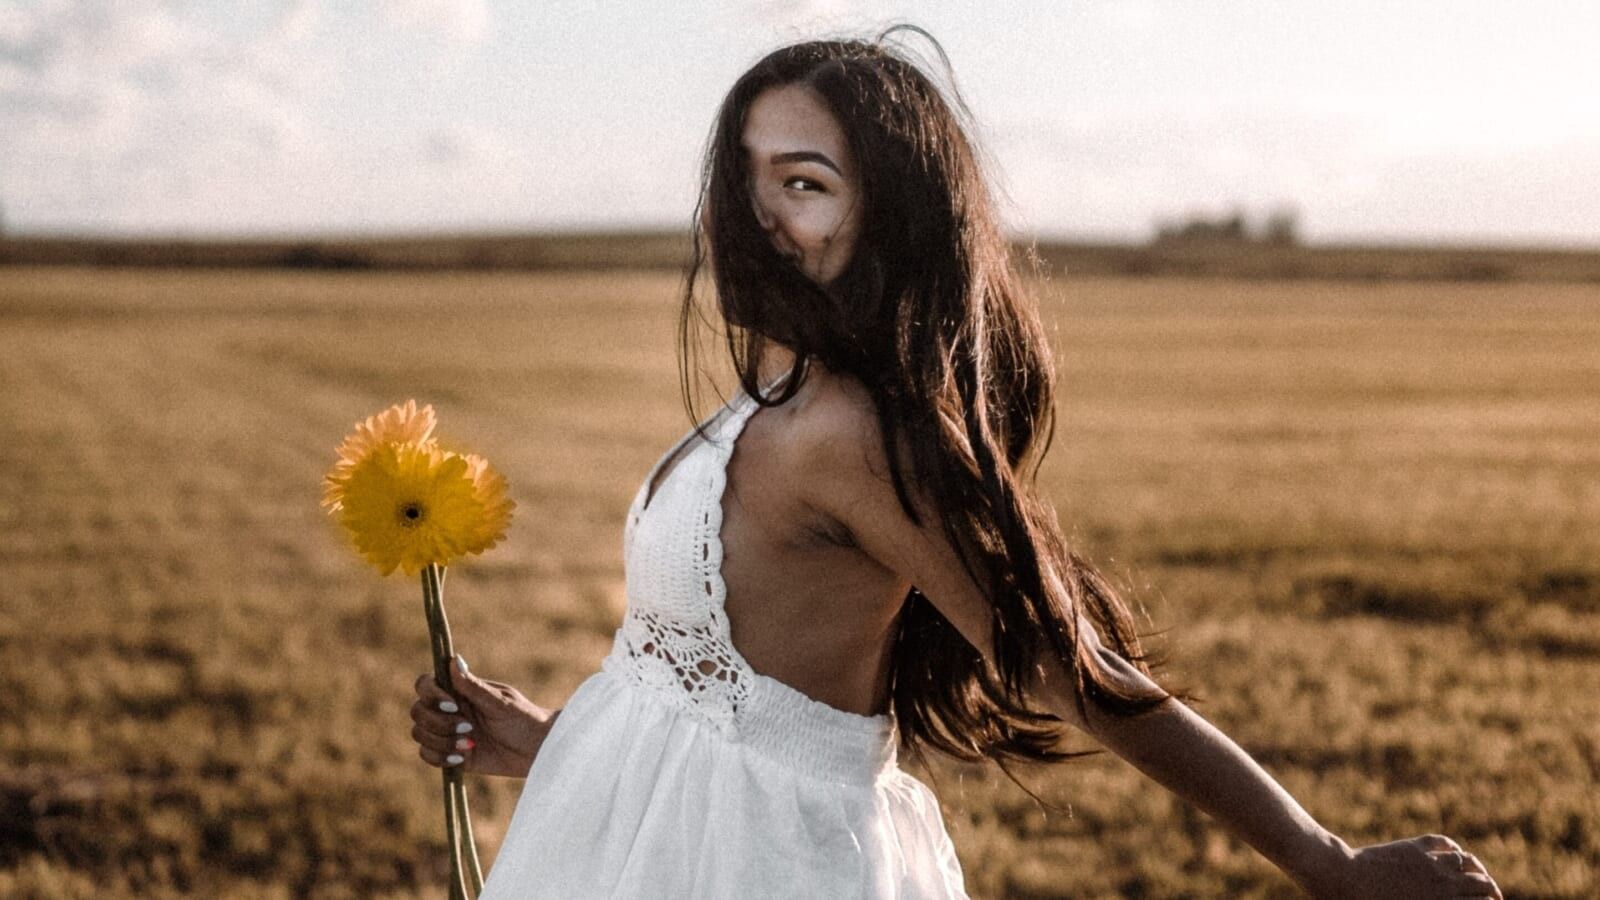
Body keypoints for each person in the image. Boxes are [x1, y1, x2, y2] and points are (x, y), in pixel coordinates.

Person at [408, 32, 1503, 899]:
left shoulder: (848, 438)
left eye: (802, 183)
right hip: (642, 853)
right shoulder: (768, 404)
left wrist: (1328, 862)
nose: (752, 218)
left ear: (890, 221)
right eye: (741, 179)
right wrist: (559, 748)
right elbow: (733, 703)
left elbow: (1075, 674)